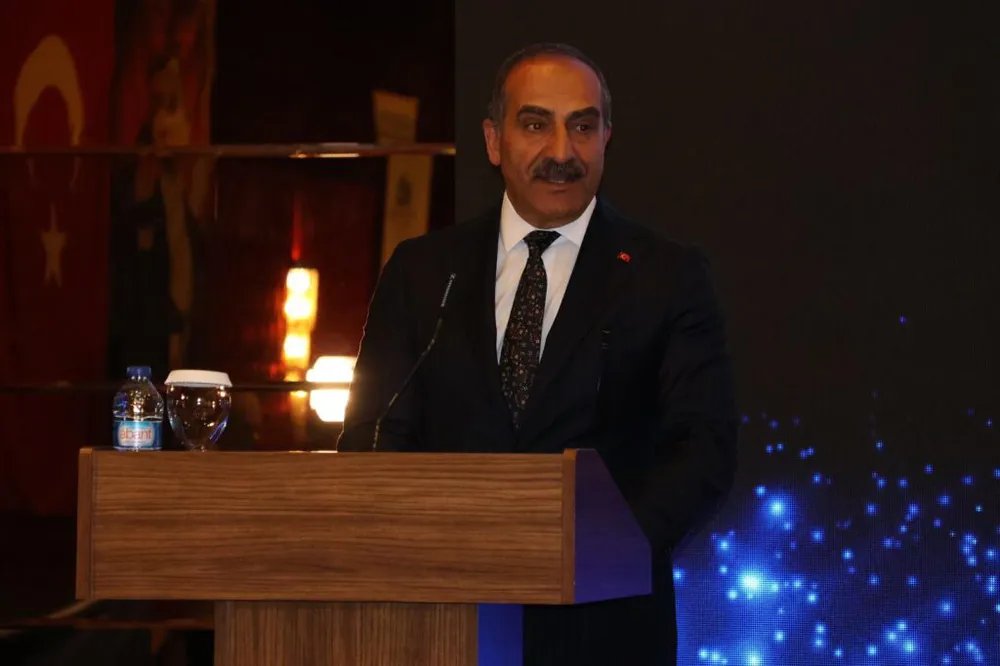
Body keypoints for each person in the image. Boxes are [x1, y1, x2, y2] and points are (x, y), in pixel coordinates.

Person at [339, 42, 738, 666]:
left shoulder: (667, 276)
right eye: (535, 125)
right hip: (441, 619)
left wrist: (594, 549)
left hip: (604, 627)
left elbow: (702, 450)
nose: (561, 152)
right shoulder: (423, 272)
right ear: (493, 141)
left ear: (606, 139)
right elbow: (373, 435)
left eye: (582, 127)